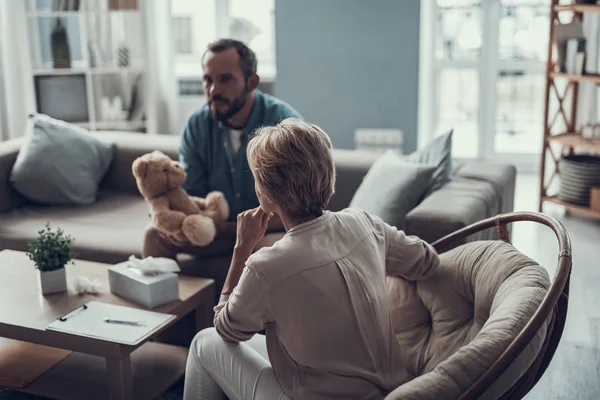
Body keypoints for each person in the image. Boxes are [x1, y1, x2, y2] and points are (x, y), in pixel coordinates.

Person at [182, 119, 441, 400]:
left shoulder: (266, 266)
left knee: (204, 342)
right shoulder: (365, 222)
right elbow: (427, 260)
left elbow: (226, 328)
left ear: (265, 194)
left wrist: (242, 248)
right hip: (388, 392)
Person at [142, 38, 302, 259]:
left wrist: (229, 229)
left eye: (225, 79)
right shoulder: (196, 125)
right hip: (212, 230)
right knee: (154, 235)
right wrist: (174, 219)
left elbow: (298, 210)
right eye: (208, 80)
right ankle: (174, 295)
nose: (213, 90)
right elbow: (190, 194)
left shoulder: (285, 125)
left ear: (252, 82)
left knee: (268, 251)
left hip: (265, 231)